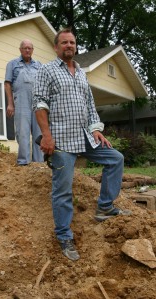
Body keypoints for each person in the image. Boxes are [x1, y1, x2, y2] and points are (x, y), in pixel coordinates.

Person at [32, 28, 132, 261]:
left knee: (115, 158)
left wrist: (96, 129)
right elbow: (39, 104)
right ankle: (64, 236)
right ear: (56, 47)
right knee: (63, 190)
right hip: (61, 141)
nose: (69, 45)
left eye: (72, 42)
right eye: (64, 42)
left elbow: (90, 106)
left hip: (83, 137)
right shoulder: (46, 71)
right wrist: (46, 136)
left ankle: (105, 207)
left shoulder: (81, 73)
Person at [5, 39, 44, 166]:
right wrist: (10, 104)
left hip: (38, 102)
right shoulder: (13, 64)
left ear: (32, 50)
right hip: (21, 102)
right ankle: (24, 162)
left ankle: (39, 162)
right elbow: (7, 84)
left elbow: (44, 85)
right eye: (25, 48)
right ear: (20, 49)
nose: (27, 50)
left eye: (30, 48)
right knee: (23, 132)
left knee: (39, 132)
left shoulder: (39, 65)